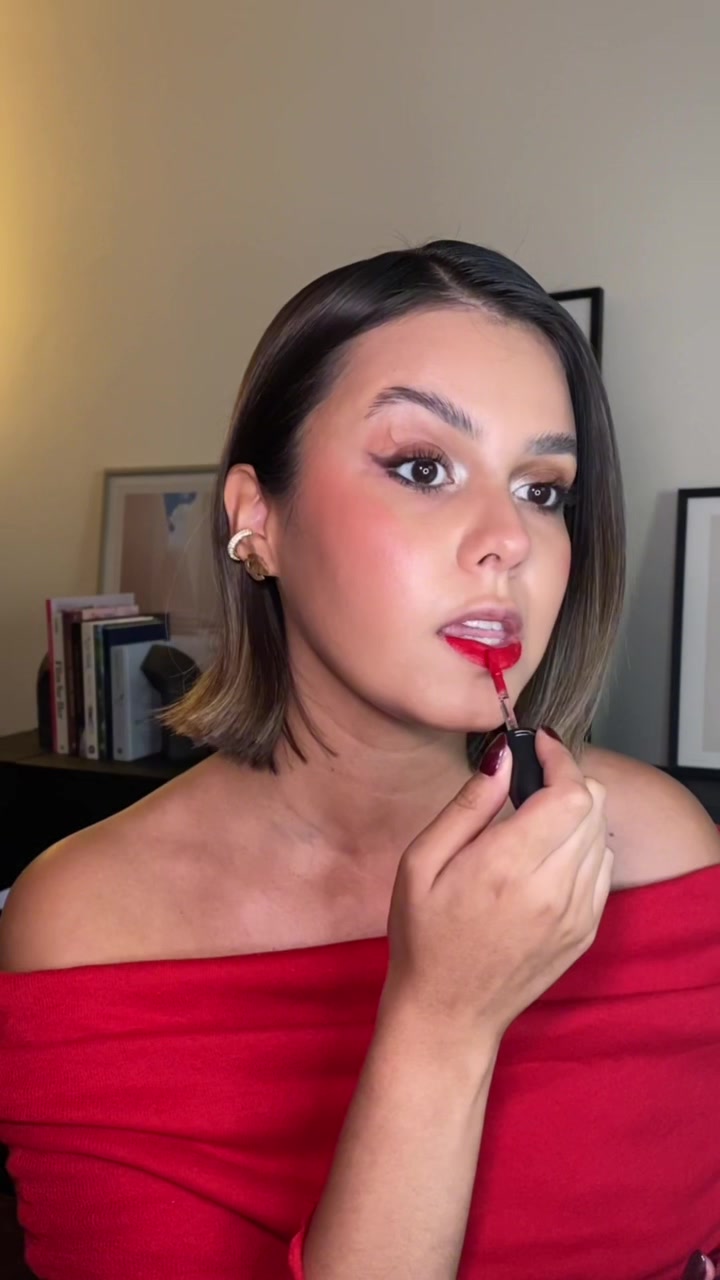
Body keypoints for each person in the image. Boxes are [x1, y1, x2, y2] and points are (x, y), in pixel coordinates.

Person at [1, 241, 719, 1280]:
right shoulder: (88, 925)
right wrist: (443, 1022)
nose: (508, 540)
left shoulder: (665, 853)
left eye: (542, 488)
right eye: (424, 468)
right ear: (258, 520)